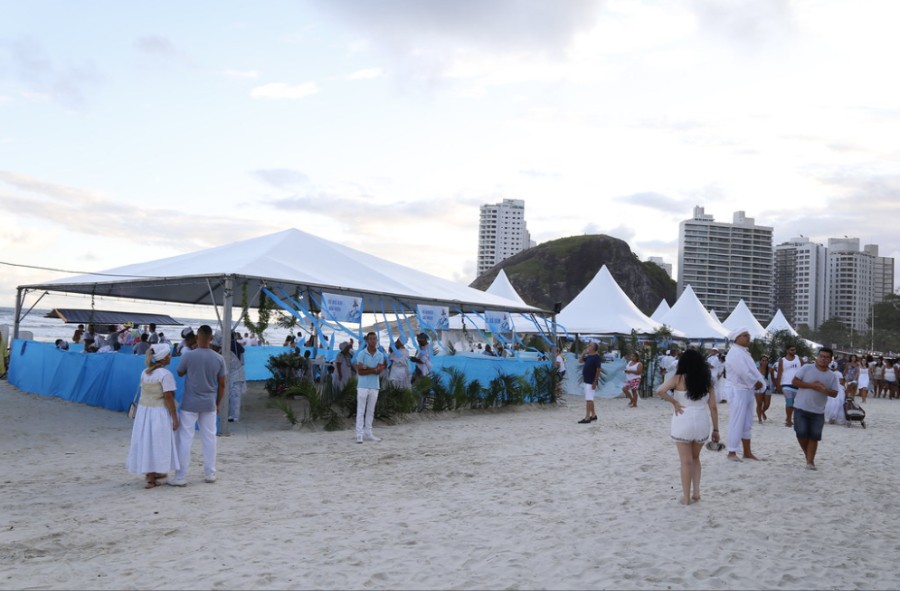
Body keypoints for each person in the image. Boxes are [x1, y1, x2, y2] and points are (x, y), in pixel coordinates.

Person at [656, 349, 720, 506]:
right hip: (701, 421)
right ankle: (696, 493)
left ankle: (686, 498)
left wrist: (674, 402)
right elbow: (713, 408)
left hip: (683, 419)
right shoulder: (707, 381)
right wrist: (716, 429)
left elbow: (660, 391)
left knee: (685, 461)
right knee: (696, 458)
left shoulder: (678, 378)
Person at [170, 325, 225, 486]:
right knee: (209, 438)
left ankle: (181, 477)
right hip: (209, 403)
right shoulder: (219, 358)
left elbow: (180, 372)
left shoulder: (189, 355)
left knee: (185, 439)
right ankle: (210, 473)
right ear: (211, 338)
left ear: (196, 337)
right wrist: (218, 403)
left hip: (190, 403)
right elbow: (222, 384)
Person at [126, 344, 180, 489]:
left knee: (146, 441)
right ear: (163, 358)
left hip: (144, 411)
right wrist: (174, 417)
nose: (170, 357)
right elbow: (168, 397)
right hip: (158, 412)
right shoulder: (165, 375)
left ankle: (151, 473)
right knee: (158, 441)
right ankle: (152, 477)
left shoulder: (145, 373)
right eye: (168, 355)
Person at [791, 348, 840, 470]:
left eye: (826, 357)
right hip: (801, 407)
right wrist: (812, 386)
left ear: (830, 360)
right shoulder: (807, 368)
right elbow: (795, 382)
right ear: (817, 357)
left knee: (814, 437)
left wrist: (824, 390)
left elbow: (835, 393)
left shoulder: (832, 376)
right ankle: (808, 456)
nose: (823, 359)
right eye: (821, 356)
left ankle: (810, 461)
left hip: (818, 411)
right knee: (801, 433)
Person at [724, 328, 763, 462]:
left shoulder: (744, 352)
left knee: (747, 422)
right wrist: (754, 382)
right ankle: (732, 452)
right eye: (745, 335)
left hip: (747, 390)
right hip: (737, 390)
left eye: (749, 335)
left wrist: (760, 383)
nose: (748, 337)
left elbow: (753, 371)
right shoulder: (735, 352)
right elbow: (742, 372)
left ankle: (747, 452)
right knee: (737, 421)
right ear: (737, 338)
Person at [355, 332, 386, 444]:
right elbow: (360, 371)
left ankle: (368, 433)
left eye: (375, 339)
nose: (373, 341)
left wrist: (367, 367)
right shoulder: (362, 353)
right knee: (361, 410)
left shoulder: (380, 355)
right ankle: (359, 434)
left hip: (374, 385)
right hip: (362, 385)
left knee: (370, 411)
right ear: (367, 340)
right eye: (371, 339)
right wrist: (373, 369)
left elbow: (379, 371)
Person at [775, 343, 803, 427]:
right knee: (789, 402)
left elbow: (804, 371)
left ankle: (789, 418)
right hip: (786, 384)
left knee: (795, 404)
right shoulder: (782, 360)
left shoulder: (799, 359)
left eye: (794, 350)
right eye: (792, 350)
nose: (794, 351)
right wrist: (778, 385)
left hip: (797, 384)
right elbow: (779, 373)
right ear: (787, 350)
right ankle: (789, 419)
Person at [577, 343, 602, 424]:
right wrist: (583, 353)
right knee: (590, 398)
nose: (588, 346)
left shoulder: (596, 357)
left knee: (588, 399)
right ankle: (593, 415)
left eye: (590, 346)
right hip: (587, 380)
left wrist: (595, 381)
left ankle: (587, 417)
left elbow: (598, 369)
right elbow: (580, 361)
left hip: (591, 381)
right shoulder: (589, 356)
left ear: (594, 348)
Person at [755, 354, 773, 424]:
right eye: (763, 360)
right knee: (759, 403)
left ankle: (762, 411)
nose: (764, 362)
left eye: (766, 361)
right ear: (760, 361)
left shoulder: (771, 370)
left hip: (768, 387)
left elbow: (773, 379)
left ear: (768, 362)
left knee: (767, 404)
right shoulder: (756, 369)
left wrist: (777, 386)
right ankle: (759, 418)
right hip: (759, 388)